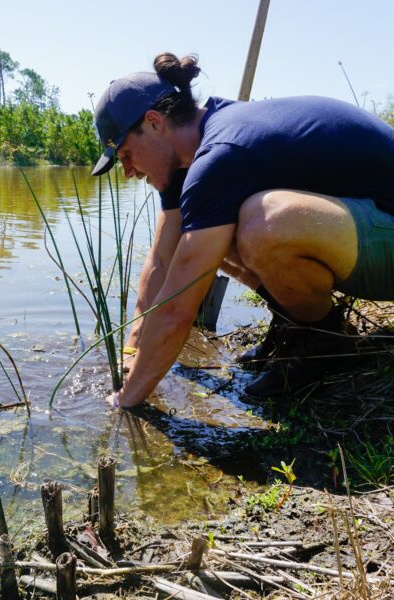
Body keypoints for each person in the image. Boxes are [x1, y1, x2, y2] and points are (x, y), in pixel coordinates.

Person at [91, 52, 394, 408]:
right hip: (364, 227)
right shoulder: (190, 155)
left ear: (155, 123)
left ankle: (322, 339)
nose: (128, 170)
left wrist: (125, 400)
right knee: (210, 236)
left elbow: (177, 311)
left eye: (126, 154)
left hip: (384, 225)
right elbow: (162, 260)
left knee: (261, 223)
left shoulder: (221, 153)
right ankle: (296, 321)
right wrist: (133, 346)